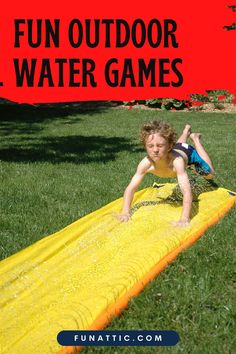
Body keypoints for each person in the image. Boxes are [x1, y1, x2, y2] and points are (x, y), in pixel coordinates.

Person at [118, 120, 215, 226]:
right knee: (180, 145)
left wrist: (184, 218)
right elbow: (131, 188)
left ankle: (195, 139)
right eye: (150, 146)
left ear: (169, 146)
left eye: (159, 146)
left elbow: (187, 191)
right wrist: (125, 211)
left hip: (189, 154)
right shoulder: (146, 163)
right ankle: (185, 132)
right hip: (177, 148)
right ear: (145, 146)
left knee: (210, 175)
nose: (155, 150)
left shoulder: (177, 162)